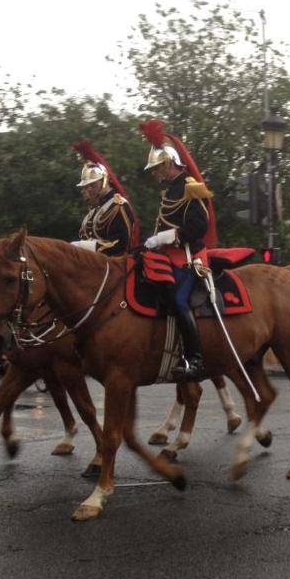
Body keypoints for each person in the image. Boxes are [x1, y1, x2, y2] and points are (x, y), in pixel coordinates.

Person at [139, 120, 216, 382]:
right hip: (169, 255)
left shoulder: (189, 186)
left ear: (170, 163)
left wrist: (166, 237)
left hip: (188, 257)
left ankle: (196, 360)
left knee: (178, 300)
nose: (155, 173)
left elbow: (199, 225)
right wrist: (152, 242)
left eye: (158, 167)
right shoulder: (170, 190)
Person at [72, 141, 137, 256]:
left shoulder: (118, 206)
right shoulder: (93, 212)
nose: (89, 190)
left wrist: (88, 246)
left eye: (92, 185)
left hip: (114, 266)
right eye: (86, 186)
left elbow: (121, 245)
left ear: (104, 181)